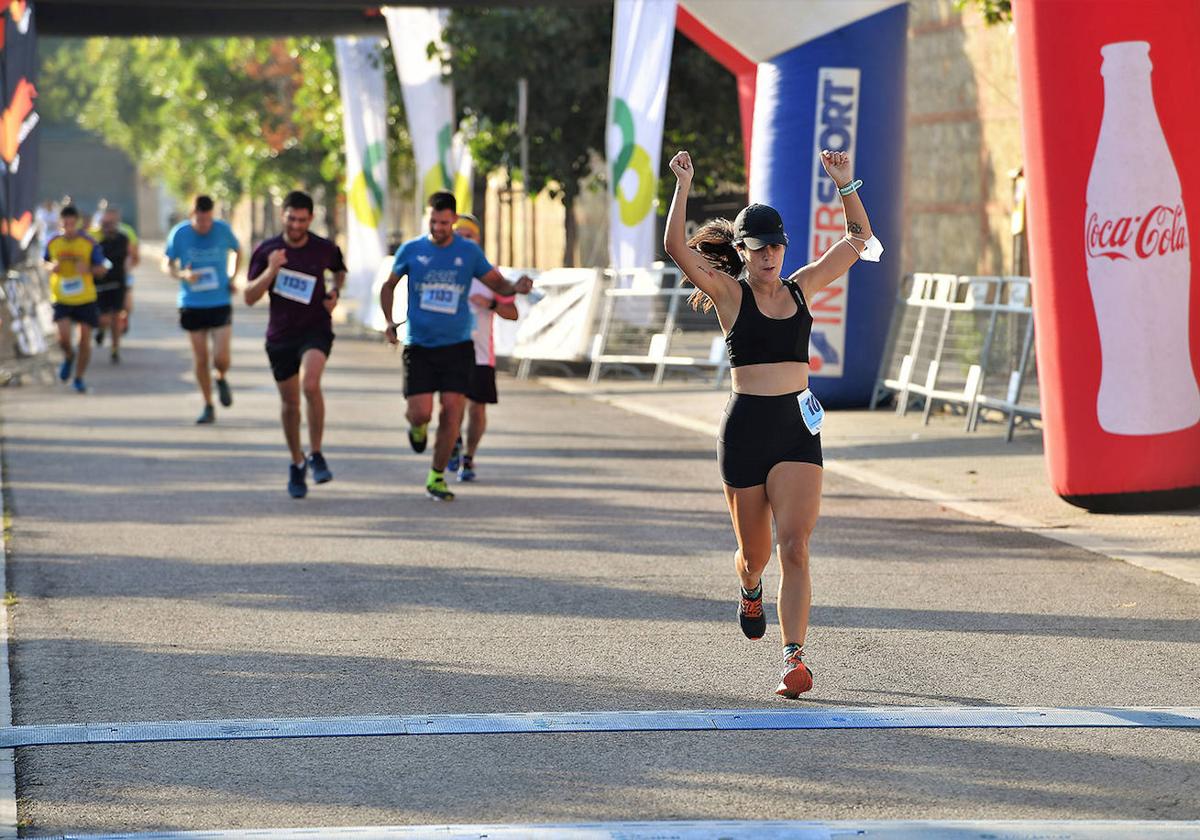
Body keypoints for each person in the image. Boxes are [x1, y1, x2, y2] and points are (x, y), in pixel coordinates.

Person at [663, 148, 881, 698]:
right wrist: (683, 185)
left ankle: (794, 658)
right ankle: (749, 587)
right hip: (745, 432)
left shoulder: (803, 287)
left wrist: (843, 182)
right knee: (756, 555)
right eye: (759, 248)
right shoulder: (729, 294)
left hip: (795, 429)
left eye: (777, 246)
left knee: (797, 547)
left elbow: (858, 238)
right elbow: (674, 248)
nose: (770, 256)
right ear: (741, 251)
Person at [380, 192, 532, 502]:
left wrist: (514, 288)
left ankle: (436, 476)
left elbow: (496, 283)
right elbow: (388, 286)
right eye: (433, 222)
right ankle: (418, 429)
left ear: (453, 221)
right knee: (420, 412)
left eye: (444, 223)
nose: (438, 228)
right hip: (420, 346)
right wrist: (389, 321)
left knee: (452, 412)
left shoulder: (469, 253)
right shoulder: (412, 249)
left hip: (458, 346)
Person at [245, 190, 346, 500]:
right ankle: (296, 461)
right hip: (280, 336)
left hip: (315, 328)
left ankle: (316, 453)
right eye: (292, 219)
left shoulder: (323, 248)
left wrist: (334, 292)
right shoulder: (267, 250)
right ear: (283, 216)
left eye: (303, 220)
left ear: (311, 219)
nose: (296, 225)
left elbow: (339, 271)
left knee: (311, 384)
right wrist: (272, 270)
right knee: (290, 405)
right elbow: (249, 297)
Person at [444, 213, 520, 482]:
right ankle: (453, 444)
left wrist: (489, 304)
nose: (465, 240)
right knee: (453, 406)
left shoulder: (489, 274)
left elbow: (512, 312)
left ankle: (469, 456)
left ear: (478, 239)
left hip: (481, 355)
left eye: (470, 236)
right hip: (449, 350)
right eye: (460, 235)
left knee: (477, 409)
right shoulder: (444, 271)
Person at [164, 195, 242, 424]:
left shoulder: (222, 230)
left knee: (221, 357)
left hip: (219, 301)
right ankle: (208, 404)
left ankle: (221, 376)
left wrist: (232, 276)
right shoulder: (180, 233)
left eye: (208, 220)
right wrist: (182, 275)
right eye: (200, 221)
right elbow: (166, 263)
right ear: (192, 215)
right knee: (201, 359)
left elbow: (238, 251)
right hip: (192, 304)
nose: (205, 226)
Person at [44, 205, 107, 393]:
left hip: (85, 297)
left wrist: (88, 269)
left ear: (77, 223)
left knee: (84, 341)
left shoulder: (89, 243)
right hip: (61, 296)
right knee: (63, 339)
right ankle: (69, 356)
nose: (68, 228)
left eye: (72, 224)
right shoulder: (52, 241)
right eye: (65, 224)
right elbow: (43, 261)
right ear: (60, 222)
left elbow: (102, 269)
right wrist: (50, 267)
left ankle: (79, 377)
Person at [91, 208, 140, 342]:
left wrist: (128, 266)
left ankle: (115, 348)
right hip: (100, 282)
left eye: (111, 222)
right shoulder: (93, 235)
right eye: (105, 222)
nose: (108, 225)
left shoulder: (126, 234)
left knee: (124, 309)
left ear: (117, 220)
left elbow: (135, 257)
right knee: (104, 318)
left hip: (120, 279)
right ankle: (102, 328)